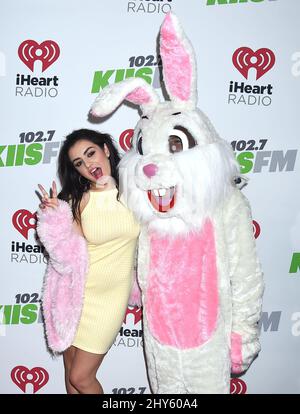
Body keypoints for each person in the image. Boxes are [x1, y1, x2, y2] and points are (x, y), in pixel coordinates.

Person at [37, 128, 140, 394]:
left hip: (110, 299)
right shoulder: (77, 201)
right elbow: (65, 255)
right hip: (77, 295)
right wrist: (55, 219)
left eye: (91, 153)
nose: (88, 164)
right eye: (79, 163)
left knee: (82, 377)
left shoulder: (136, 190)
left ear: (106, 149)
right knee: (71, 375)